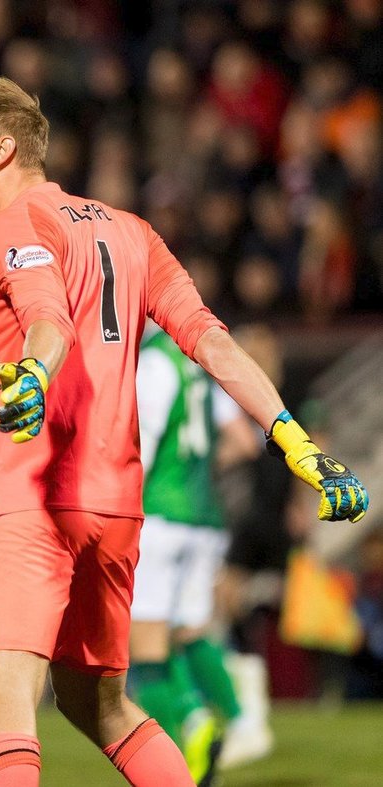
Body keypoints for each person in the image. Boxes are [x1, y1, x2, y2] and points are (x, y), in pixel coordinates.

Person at [0, 74, 369, 786]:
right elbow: (216, 344)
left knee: (5, 705)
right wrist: (301, 446)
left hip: (34, 498)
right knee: (97, 704)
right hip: (117, 513)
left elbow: (48, 318)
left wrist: (35, 377)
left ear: (3, 148)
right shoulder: (131, 231)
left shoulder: (12, 223)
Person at [128, 323, 261, 785]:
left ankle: (193, 725)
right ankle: (243, 721)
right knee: (187, 630)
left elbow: (140, 448)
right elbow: (244, 440)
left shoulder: (154, 365)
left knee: (143, 652)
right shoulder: (198, 365)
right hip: (202, 517)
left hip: (159, 516)